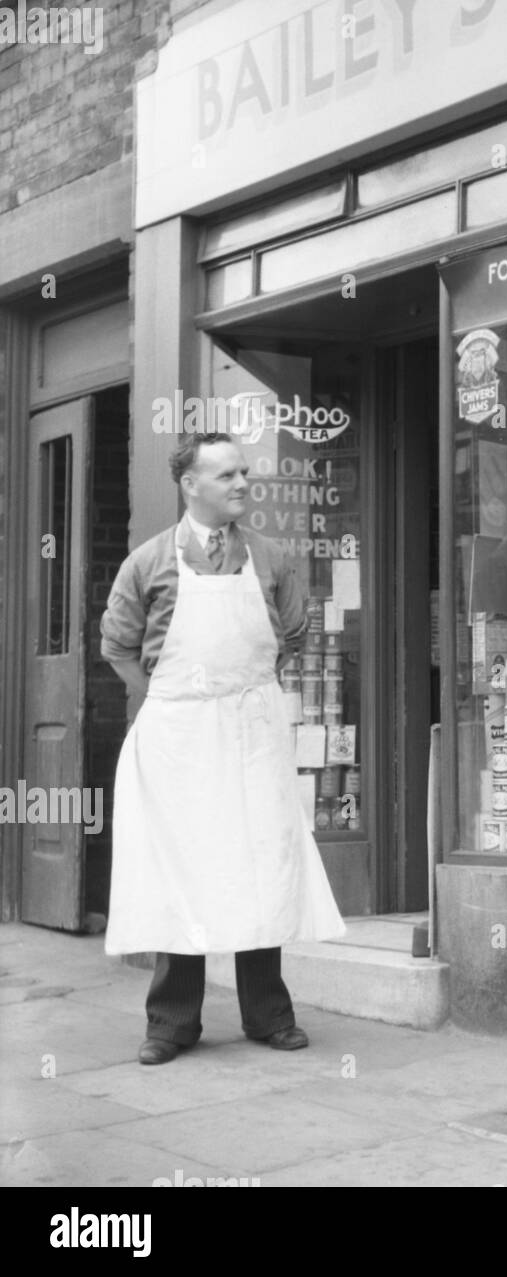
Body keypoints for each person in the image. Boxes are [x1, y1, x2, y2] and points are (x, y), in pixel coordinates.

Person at [100, 432, 345, 1065]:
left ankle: (268, 1016)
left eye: (245, 472)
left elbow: (289, 634)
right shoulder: (148, 562)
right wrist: (173, 695)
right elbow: (117, 645)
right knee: (182, 866)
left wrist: (240, 694)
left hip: (252, 734)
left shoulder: (269, 557)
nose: (242, 484)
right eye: (227, 475)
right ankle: (172, 1023)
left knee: (260, 866)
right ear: (190, 485)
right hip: (178, 736)